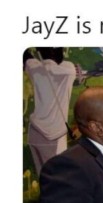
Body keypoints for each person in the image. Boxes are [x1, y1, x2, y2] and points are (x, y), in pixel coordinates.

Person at [25, 47, 76, 175]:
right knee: (58, 178)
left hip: (35, 132)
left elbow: (26, 57)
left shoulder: (34, 67)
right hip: (54, 135)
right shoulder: (68, 69)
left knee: (42, 177)